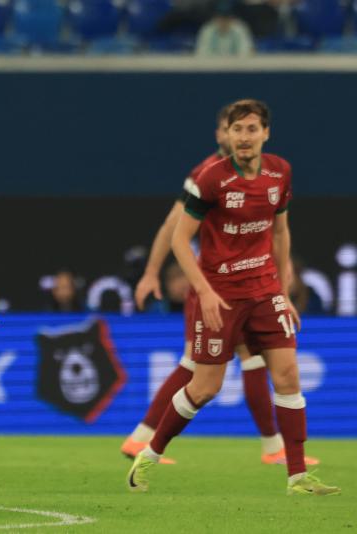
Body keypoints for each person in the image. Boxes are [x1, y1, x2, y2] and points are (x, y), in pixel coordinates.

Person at [127, 99, 339, 495]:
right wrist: (204, 291)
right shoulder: (210, 178)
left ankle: (296, 475)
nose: (244, 137)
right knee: (205, 387)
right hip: (221, 296)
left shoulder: (280, 172)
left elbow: (280, 232)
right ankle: (150, 453)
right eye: (237, 129)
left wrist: (283, 291)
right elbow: (179, 238)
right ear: (226, 134)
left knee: (288, 375)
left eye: (251, 129)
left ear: (266, 133)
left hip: (264, 290)